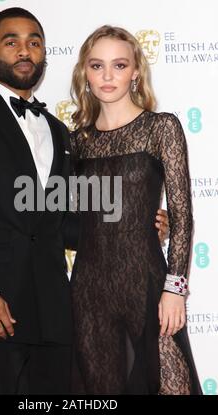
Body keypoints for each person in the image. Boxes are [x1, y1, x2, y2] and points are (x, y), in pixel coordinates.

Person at [0, 8, 168, 394]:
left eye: (34, 42)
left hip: (55, 311)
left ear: (44, 55)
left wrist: (136, 221)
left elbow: (61, 222)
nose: (24, 51)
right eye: (12, 41)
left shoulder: (58, 130)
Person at [70, 25, 202, 395]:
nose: (108, 76)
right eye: (97, 66)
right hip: (89, 291)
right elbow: (73, 216)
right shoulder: (77, 141)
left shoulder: (161, 128)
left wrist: (175, 288)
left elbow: (182, 214)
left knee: (175, 387)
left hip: (146, 283)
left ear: (135, 72)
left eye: (119, 65)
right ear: (85, 74)